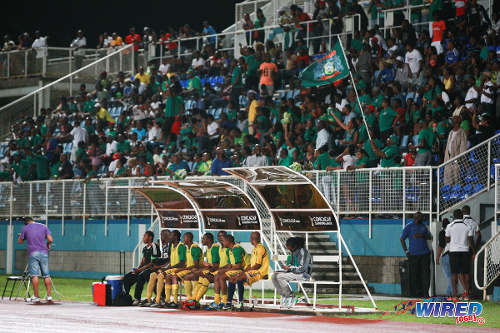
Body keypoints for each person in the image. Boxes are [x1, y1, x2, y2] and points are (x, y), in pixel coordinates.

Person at [228, 232, 270, 311]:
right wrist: (243, 272)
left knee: (239, 278)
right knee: (233, 278)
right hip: (254, 271)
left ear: (252, 239)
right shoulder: (255, 248)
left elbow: (258, 265)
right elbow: (252, 265)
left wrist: (243, 273)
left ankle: (240, 303)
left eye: (250, 237)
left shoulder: (260, 248)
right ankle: (228, 303)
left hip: (260, 272)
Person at [17, 216, 54, 303]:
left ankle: (36, 296)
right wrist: (48, 244)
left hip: (33, 253)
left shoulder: (25, 228)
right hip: (44, 252)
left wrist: (23, 236)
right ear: (32, 220)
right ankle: (49, 296)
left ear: (25, 222)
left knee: (34, 275)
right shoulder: (44, 226)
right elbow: (50, 239)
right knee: (46, 275)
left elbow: (19, 241)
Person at [208, 234, 248, 310]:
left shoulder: (236, 249)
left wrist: (226, 270)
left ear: (228, 241)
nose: (222, 243)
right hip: (238, 269)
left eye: (223, 241)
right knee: (218, 274)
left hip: (245, 270)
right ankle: (222, 301)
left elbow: (239, 265)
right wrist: (221, 269)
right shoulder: (230, 249)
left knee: (222, 276)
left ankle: (226, 301)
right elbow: (229, 264)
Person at [182, 232, 220, 310]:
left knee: (200, 277)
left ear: (209, 240)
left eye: (203, 238)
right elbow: (209, 265)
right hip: (210, 270)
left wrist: (202, 269)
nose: (202, 240)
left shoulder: (214, 248)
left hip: (218, 271)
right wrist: (204, 268)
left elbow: (215, 265)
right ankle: (193, 300)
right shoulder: (208, 249)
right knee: (201, 277)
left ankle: (194, 301)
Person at [272, 237, 312, 309]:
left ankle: (291, 296)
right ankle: (286, 296)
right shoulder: (294, 252)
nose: (288, 249)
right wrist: (286, 268)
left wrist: (290, 268)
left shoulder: (304, 252)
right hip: (295, 273)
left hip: (303, 274)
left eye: (289, 247)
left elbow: (302, 268)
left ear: (295, 245)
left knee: (280, 277)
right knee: (274, 276)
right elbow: (291, 264)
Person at [123, 231, 160, 305]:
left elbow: (152, 263)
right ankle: (126, 296)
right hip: (144, 269)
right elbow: (143, 261)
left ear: (150, 237)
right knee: (128, 277)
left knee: (141, 276)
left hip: (152, 269)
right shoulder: (145, 248)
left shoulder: (154, 246)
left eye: (144, 236)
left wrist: (139, 270)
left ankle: (137, 298)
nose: (143, 238)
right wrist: (137, 270)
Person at [400, 211, 432, 298]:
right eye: (418, 217)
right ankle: (416, 293)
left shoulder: (423, 226)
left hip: (425, 254)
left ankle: (425, 293)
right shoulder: (409, 227)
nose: (420, 219)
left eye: (421, 218)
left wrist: (423, 235)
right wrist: (406, 251)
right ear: (414, 218)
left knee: (425, 274)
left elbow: (430, 237)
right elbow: (402, 239)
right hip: (413, 254)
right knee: (415, 274)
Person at [446, 209, 476, 299]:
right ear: (462, 216)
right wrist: (474, 252)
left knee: (454, 274)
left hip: (453, 252)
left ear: (454, 216)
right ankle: (467, 295)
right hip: (465, 251)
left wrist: (453, 242)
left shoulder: (449, 226)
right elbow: (471, 241)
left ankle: (455, 295)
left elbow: (447, 239)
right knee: (466, 273)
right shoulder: (467, 226)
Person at [155, 230, 186, 308]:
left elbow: (182, 262)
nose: (169, 237)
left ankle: (165, 300)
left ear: (175, 237)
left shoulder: (181, 246)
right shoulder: (171, 246)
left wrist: (169, 268)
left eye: (171, 235)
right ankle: (166, 300)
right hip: (173, 268)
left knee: (163, 276)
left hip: (180, 268)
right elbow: (170, 260)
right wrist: (164, 268)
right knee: (160, 275)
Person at [142, 230, 171, 306]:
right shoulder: (161, 245)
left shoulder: (171, 246)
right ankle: (149, 299)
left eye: (163, 235)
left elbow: (170, 261)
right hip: (162, 267)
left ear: (168, 236)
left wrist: (160, 268)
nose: (161, 237)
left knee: (160, 276)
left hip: (169, 268)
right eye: (161, 235)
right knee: (152, 275)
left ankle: (159, 299)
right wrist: (157, 268)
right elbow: (159, 259)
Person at [436, 218, 452, 296]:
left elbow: (441, 246)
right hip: (455, 254)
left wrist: (437, 258)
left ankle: (450, 293)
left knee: (449, 276)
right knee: (453, 275)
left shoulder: (442, 233)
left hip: (447, 255)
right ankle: (450, 292)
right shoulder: (453, 231)